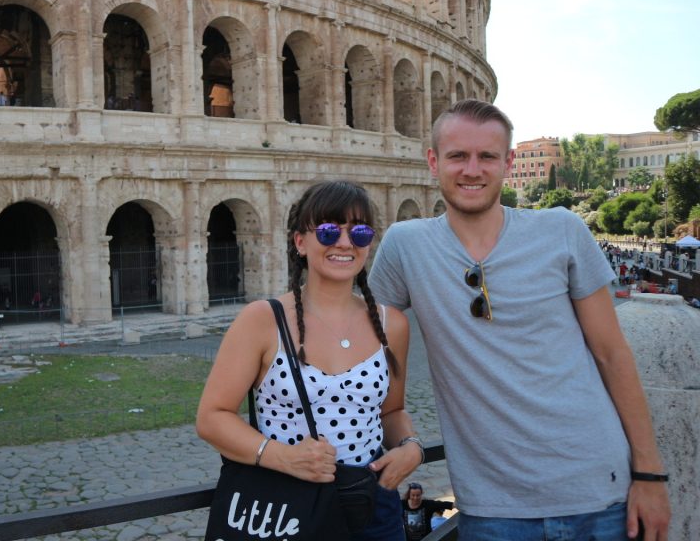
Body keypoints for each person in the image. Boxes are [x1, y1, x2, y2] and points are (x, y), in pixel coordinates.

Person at [368, 100, 671, 540]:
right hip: (493, 507)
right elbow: (362, 343)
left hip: (600, 492)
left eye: (487, 156)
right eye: (457, 156)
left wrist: (649, 475)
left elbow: (612, 354)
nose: (472, 169)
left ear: (508, 162)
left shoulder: (561, 229)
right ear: (433, 162)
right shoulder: (405, 245)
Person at [196, 180, 423, 540]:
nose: (345, 243)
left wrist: (412, 447)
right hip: (288, 505)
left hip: (371, 504)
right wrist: (282, 458)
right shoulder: (262, 319)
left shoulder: (390, 324)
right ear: (300, 242)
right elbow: (211, 418)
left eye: (360, 232)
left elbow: (392, 412)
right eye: (330, 230)